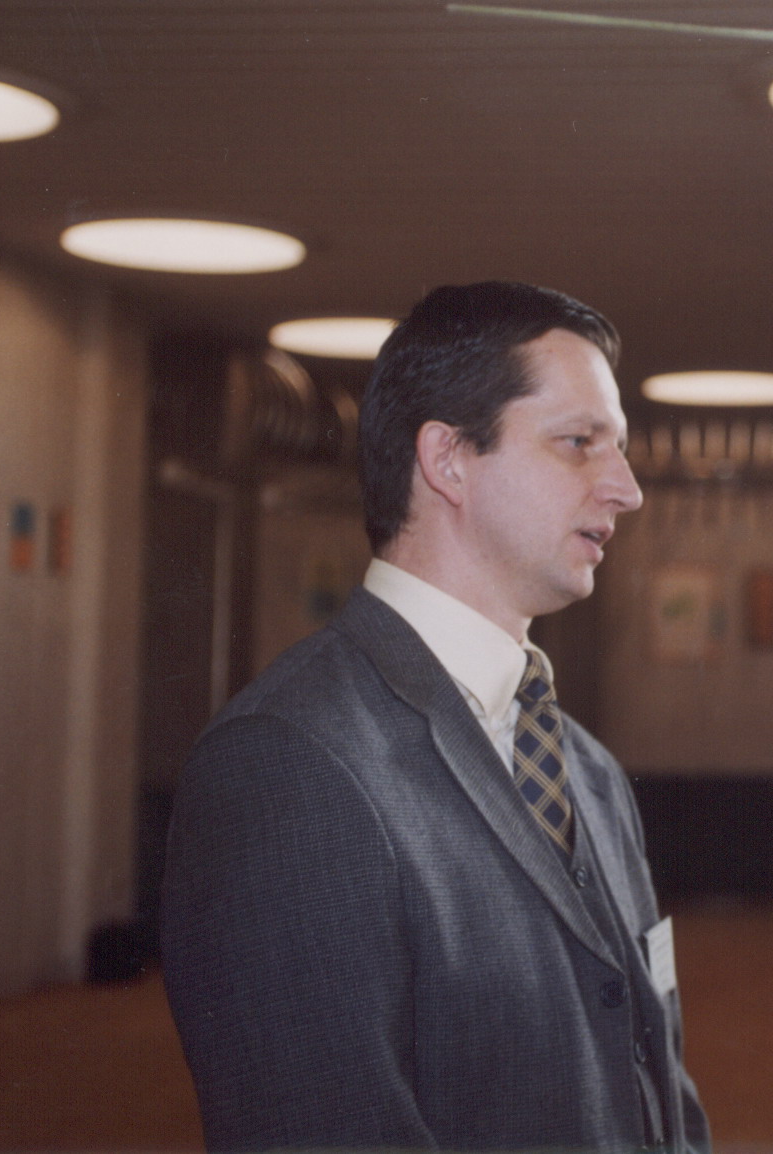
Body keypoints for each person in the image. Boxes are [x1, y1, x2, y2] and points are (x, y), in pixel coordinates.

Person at [161, 282, 709, 1153]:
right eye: (579, 443)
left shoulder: (590, 771)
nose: (627, 489)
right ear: (448, 459)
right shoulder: (287, 763)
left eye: (622, 450)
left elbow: (658, 1089)